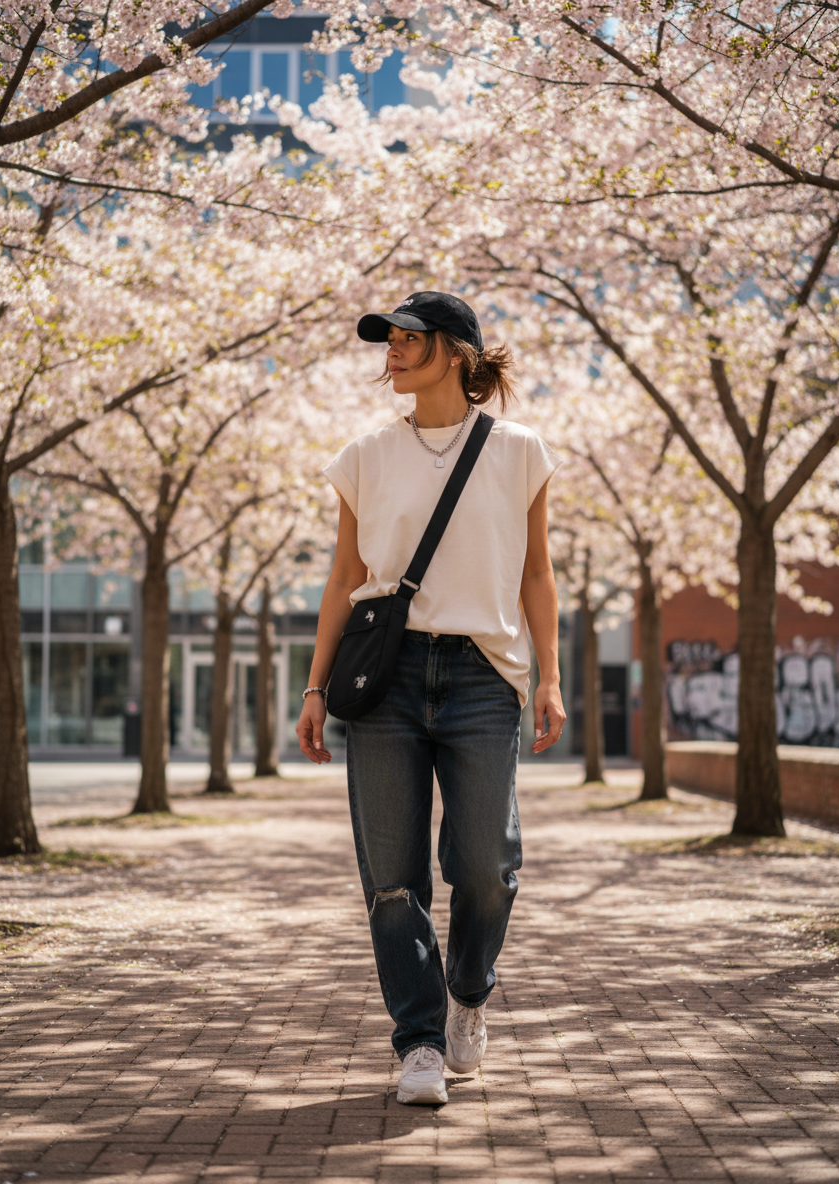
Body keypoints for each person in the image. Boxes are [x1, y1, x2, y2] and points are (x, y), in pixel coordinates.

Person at [295, 292, 565, 1105]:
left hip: (484, 674)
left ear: (456, 351)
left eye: (409, 338)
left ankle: (468, 994)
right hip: (388, 678)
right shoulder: (365, 457)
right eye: (388, 340)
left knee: (488, 865)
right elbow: (344, 579)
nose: (393, 350)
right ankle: (417, 1041)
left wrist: (550, 676)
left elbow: (536, 573)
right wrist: (314, 685)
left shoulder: (519, 450)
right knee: (392, 876)